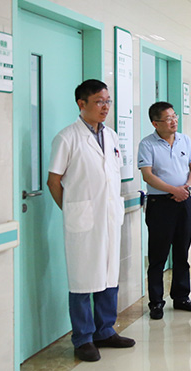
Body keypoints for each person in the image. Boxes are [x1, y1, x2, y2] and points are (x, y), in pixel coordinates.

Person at [47, 79, 135, 362]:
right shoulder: (66, 138)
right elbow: (53, 181)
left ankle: (105, 331)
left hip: (109, 218)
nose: (105, 107)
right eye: (99, 101)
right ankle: (83, 338)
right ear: (81, 104)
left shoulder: (111, 136)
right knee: (83, 279)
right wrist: (73, 209)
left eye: (108, 101)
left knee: (109, 275)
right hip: (83, 222)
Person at [138, 102, 191, 320]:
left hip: (184, 201)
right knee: (158, 255)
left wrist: (186, 188)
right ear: (155, 123)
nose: (174, 121)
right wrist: (173, 190)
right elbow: (147, 175)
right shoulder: (147, 144)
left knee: (182, 252)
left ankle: (182, 297)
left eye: (174, 116)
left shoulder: (184, 139)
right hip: (160, 204)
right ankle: (156, 302)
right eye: (168, 118)